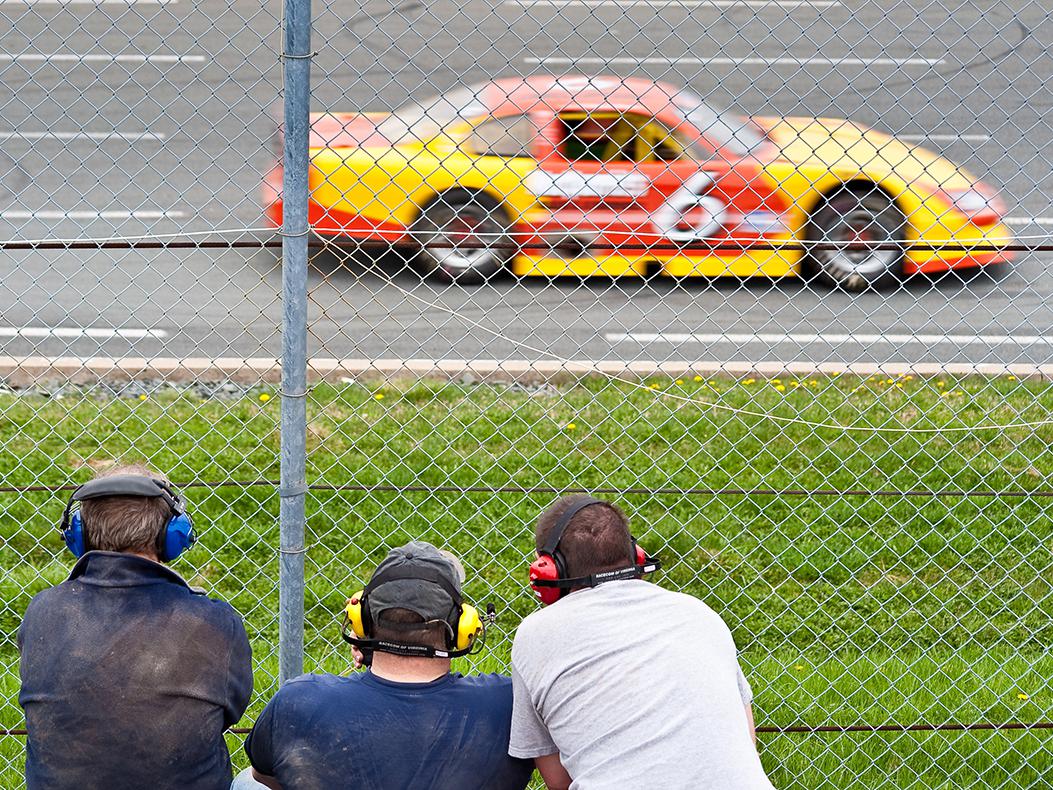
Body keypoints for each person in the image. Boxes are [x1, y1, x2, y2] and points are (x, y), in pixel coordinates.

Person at [510, 495, 774, 789]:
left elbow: (559, 781)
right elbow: (746, 741)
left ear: (548, 569)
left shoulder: (534, 634)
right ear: (636, 555)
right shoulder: (699, 613)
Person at [18, 464, 253, 790]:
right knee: (254, 782)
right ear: (172, 534)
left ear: (78, 534)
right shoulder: (214, 622)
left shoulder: (42, 611)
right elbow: (230, 711)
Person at [237, 540, 534, 790]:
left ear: (362, 622)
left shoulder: (298, 700)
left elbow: (266, 778)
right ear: (461, 628)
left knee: (246, 783)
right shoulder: (508, 703)